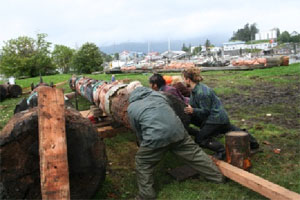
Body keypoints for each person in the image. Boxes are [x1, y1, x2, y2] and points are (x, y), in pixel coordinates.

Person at [127, 87, 224, 200]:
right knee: (195, 154)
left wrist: (144, 144)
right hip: (178, 131)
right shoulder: (160, 96)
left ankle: (146, 195)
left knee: (143, 162)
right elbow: (171, 113)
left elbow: (137, 129)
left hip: (155, 138)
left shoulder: (131, 108)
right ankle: (217, 177)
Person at [182, 67, 259, 160]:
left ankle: (222, 151)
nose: (183, 81)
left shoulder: (201, 93)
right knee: (232, 130)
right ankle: (254, 144)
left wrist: (193, 110)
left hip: (215, 118)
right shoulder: (196, 89)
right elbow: (195, 104)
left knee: (200, 139)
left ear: (188, 80)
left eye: (184, 79)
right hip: (220, 117)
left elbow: (206, 111)